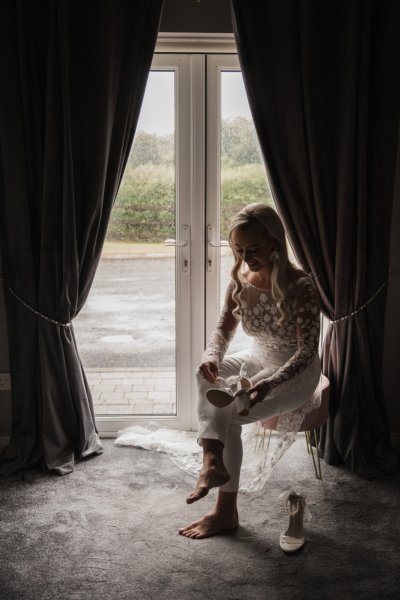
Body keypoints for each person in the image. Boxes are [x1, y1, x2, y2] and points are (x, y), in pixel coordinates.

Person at [179, 203, 321, 544]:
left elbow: (305, 352)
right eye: (239, 249)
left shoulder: (302, 286)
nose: (246, 257)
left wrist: (269, 383)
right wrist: (212, 356)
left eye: (253, 249)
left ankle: (224, 508)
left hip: (294, 372)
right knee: (204, 375)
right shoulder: (240, 280)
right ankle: (212, 459)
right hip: (256, 358)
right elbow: (223, 330)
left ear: (274, 242)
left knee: (228, 415)